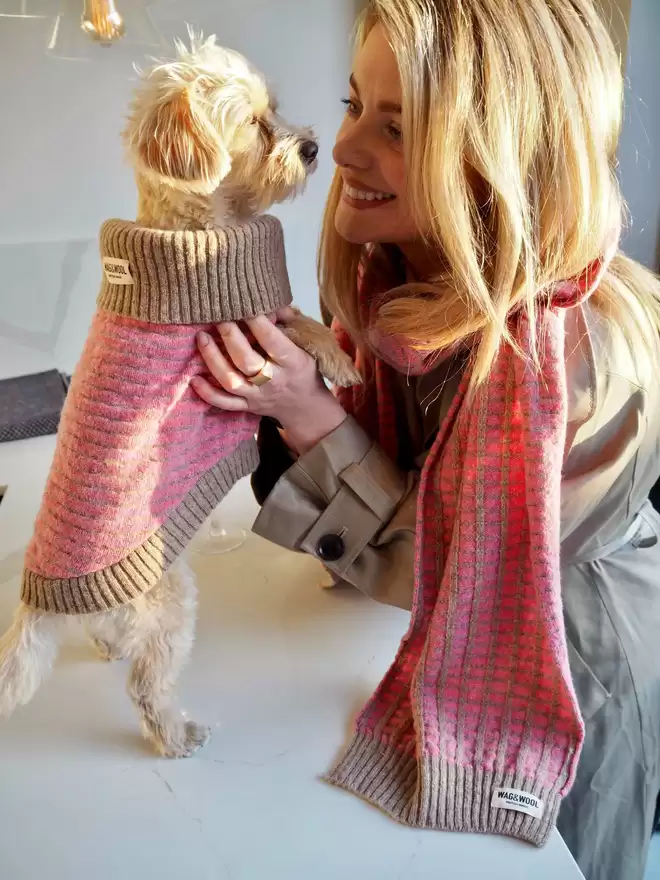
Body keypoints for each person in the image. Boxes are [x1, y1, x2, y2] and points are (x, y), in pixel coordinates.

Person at [191, 2, 660, 878]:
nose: (345, 149)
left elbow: (445, 572)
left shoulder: (583, 362)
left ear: (501, 149)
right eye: (353, 104)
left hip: (574, 669)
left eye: (398, 127)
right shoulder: (391, 281)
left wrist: (311, 418)